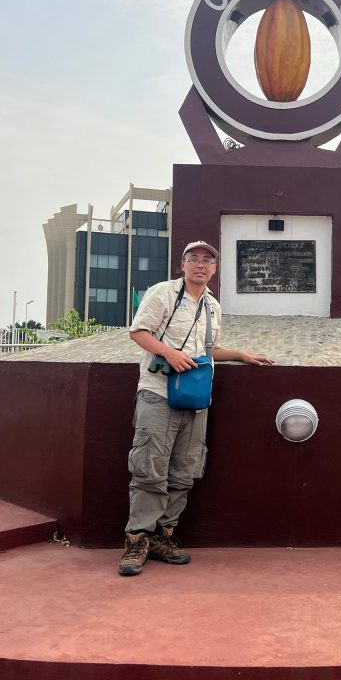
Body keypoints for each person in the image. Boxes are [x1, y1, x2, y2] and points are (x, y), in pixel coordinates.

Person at [118, 241, 274, 577]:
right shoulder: (162, 293)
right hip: (158, 392)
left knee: (184, 470)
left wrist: (242, 355)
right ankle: (136, 541)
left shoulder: (213, 307)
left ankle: (164, 536)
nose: (200, 265)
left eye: (208, 260)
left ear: (215, 269)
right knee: (149, 467)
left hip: (195, 398)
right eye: (194, 259)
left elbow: (210, 349)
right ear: (182, 264)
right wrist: (170, 354)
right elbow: (138, 332)